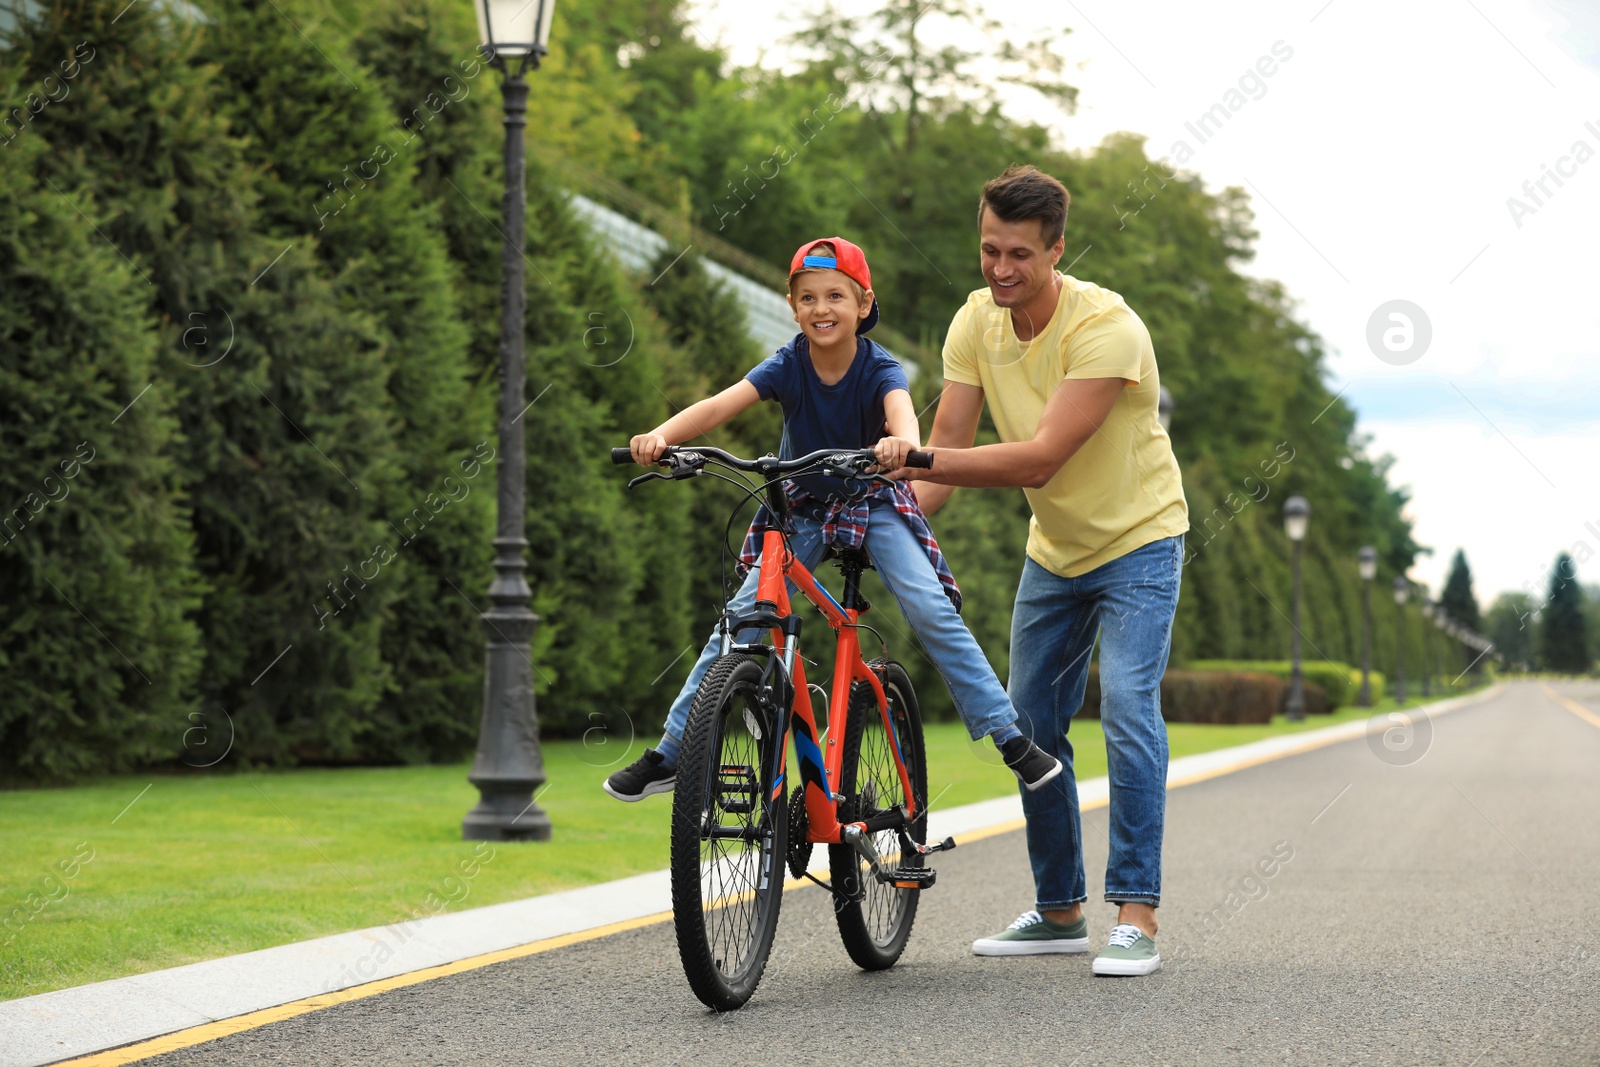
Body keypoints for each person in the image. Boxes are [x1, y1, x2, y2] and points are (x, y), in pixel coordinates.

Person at [604, 237, 1061, 803]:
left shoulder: (879, 367)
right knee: (740, 618)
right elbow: (721, 405)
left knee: (929, 609)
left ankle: (1008, 735)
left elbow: (901, 417)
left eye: (836, 296)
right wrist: (662, 437)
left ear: (863, 305)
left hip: (873, 502)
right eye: (809, 298)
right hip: (804, 506)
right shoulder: (787, 363)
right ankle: (672, 752)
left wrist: (901, 447)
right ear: (793, 307)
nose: (822, 309)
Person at [890, 166, 1188, 977]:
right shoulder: (974, 324)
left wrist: (913, 454)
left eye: (1019, 254)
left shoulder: (1108, 329)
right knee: (1026, 723)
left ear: (1057, 249)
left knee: (1126, 703)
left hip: (1140, 540)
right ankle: (1059, 910)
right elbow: (946, 453)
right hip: (1054, 553)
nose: (999, 269)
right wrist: (893, 524)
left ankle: (1136, 913)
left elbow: (1043, 458)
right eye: (989, 249)